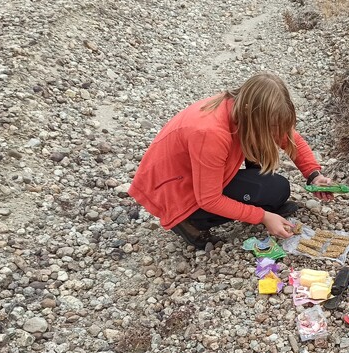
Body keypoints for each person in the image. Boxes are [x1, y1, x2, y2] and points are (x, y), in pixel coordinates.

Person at [128, 72, 334, 249]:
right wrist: (262, 216)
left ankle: (258, 204)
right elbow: (209, 199)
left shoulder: (242, 108)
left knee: (275, 188)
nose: (275, 133)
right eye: (270, 127)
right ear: (249, 110)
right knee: (274, 189)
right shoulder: (211, 133)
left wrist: (313, 175)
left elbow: (289, 137)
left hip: (193, 174)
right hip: (175, 192)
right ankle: (188, 221)